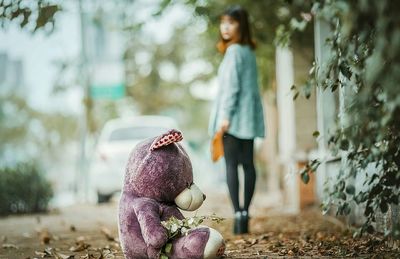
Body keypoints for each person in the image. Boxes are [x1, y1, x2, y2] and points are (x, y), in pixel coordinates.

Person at [208, 5, 265, 234]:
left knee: (232, 165)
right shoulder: (248, 52)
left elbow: (231, 88)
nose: (225, 27)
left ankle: (238, 214)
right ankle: (245, 213)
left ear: (241, 25)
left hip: (231, 119)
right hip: (248, 118)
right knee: (248, 165)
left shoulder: (233, 52)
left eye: (230, 22)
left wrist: (224, 117)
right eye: (223, 22)